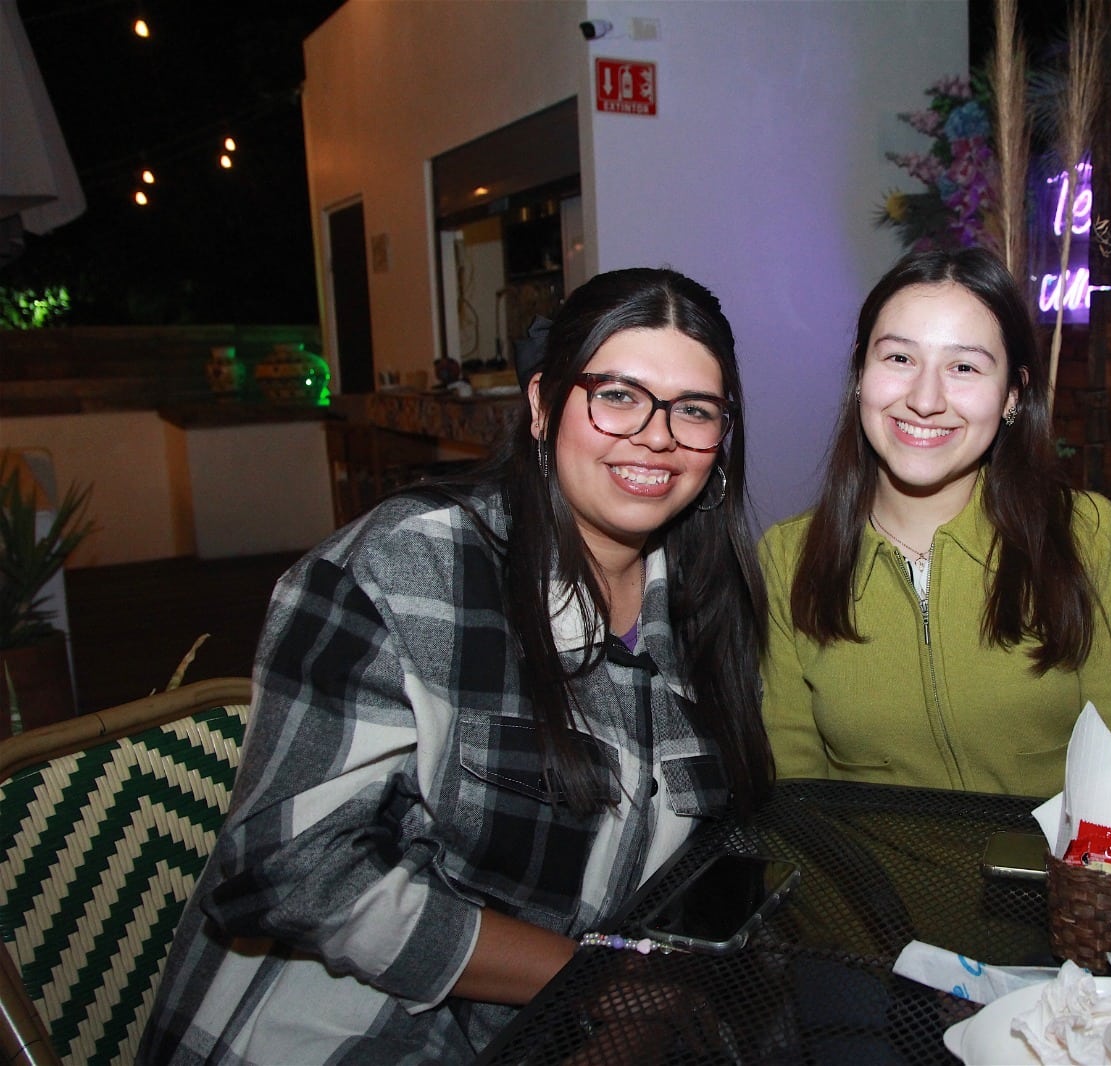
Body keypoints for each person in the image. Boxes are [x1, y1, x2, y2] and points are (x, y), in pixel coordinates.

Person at [139, 267, 772, 1064]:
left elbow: (714, 855)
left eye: (694, 410)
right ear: (543, 406)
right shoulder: (407, 565)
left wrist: (652, 998)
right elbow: (285, 871)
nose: (656, 434)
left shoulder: (706, 608)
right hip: (341, 1035)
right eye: (617, 395)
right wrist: (595, 982)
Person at [760, 247, 1111, 802]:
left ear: (1012, 395)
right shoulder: (787, 558)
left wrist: (1078, 891)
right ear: (860, 373)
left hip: (1058, 882)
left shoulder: (1085, 536)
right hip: (866, 887)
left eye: (964, 367)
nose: (924, 399)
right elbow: (795, 798)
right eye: (899, 359)